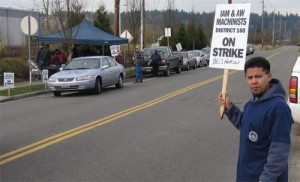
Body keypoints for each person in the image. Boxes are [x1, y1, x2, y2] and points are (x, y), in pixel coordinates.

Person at [218, 57, 293, 182]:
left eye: (258, 76)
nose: (254, 82)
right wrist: (229, 107)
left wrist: (266, 178)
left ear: (269, 76)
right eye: (250, 77)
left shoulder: (278, 108)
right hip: (246, 175)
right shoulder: (252, 103)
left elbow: (279, 151)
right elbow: (246, 125)